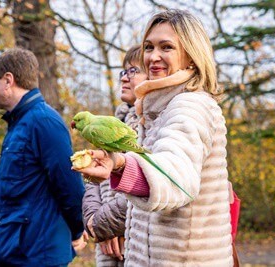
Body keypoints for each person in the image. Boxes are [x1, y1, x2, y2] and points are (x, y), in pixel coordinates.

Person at [74, 9, 233, 266]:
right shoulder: (156, 109)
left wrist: (121, 165)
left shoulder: (189, 106)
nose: (153, 56)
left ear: (191, 56)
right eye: (149, 47)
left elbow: (173, 176)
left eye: (166, 47)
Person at [0, 48, 86, 266]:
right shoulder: (19, 124)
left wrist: (78, 230)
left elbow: (70, 186)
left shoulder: (44, 122)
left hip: (37, 255)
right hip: (16, 252)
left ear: (8, 80)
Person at [82, 45, 147, 266]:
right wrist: (95, 223)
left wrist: (104, 224)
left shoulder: (152, 124)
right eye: (123, 72)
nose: (124, 79)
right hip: (109, 245)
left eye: (133, 71)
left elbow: (148, 183)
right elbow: (93, 183)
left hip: (139, 248)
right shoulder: (112, 123)